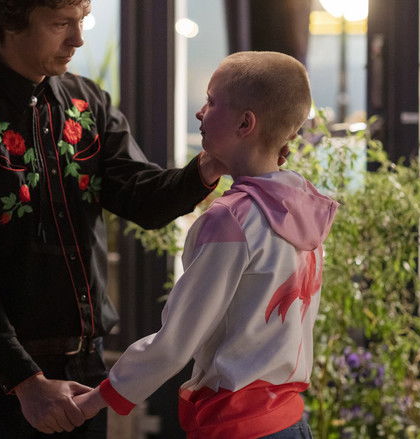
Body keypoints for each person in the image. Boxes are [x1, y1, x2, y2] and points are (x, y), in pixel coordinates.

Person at [0, 0, 243, 437]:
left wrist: (209, 166)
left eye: (80, 21)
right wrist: (26, 382)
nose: (78, 39)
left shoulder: (87, 102)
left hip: (86, 365)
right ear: (10, 22)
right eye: (60, 24)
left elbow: (144, 200)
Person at [73, 51, 339, 439]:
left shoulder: (231, 219)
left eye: (212, 102)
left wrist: (94, 401)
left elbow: (176, 341)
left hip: (237, 426)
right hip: (289, 422)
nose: (200, 112)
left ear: (245, 123)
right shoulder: (304, 205)